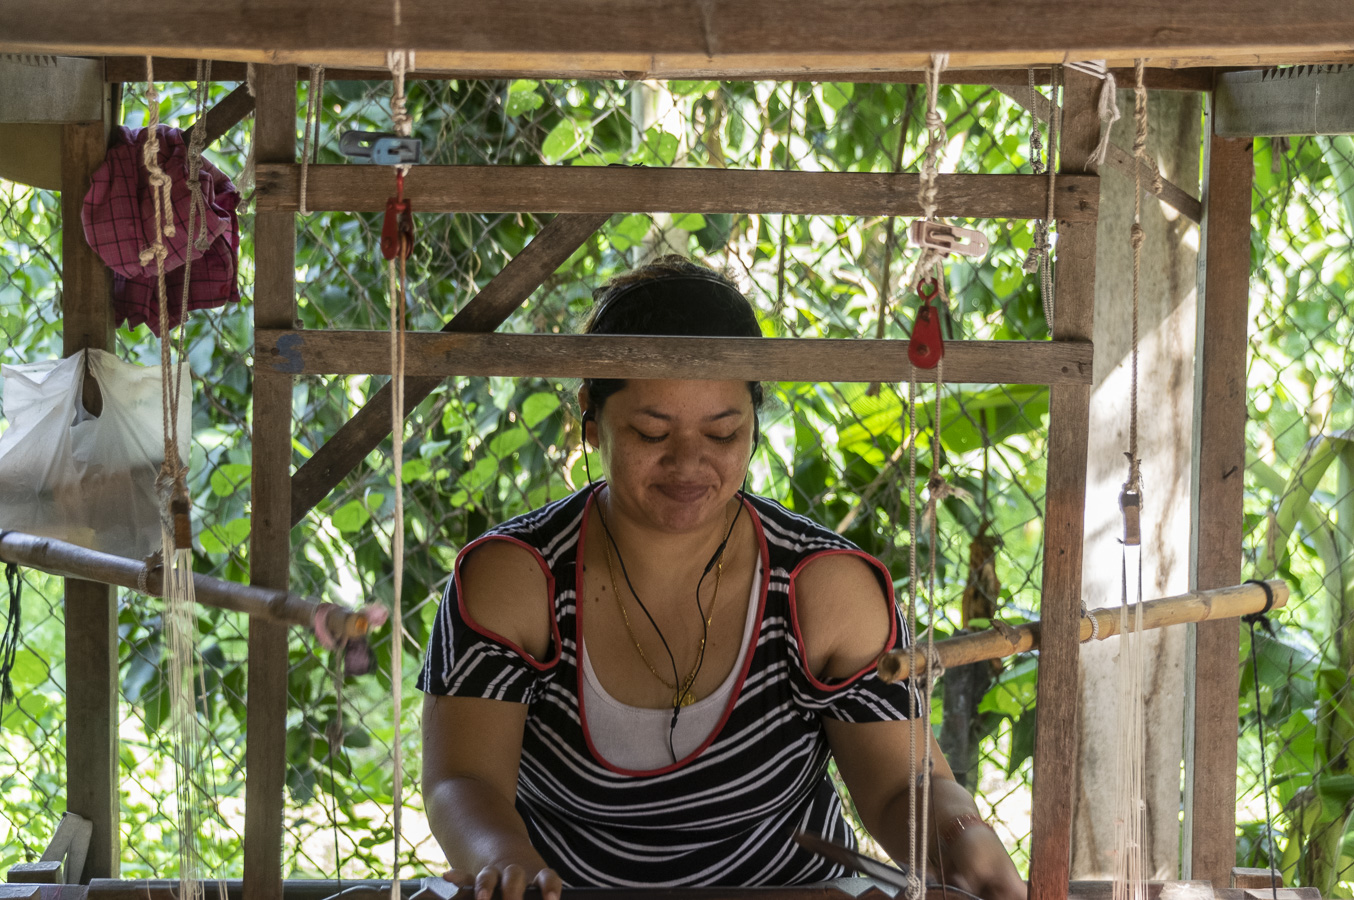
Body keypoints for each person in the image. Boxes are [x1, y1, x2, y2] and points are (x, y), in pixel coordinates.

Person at [418, 256, 1025, 900]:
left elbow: (902, 786)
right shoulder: (517, 577)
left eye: (722, 431)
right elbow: (463, 780)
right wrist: (505, 863)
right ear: (591, 419)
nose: (689, 462)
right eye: (653, 431)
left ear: (754, 424)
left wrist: (959, 836)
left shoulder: (824, 588)